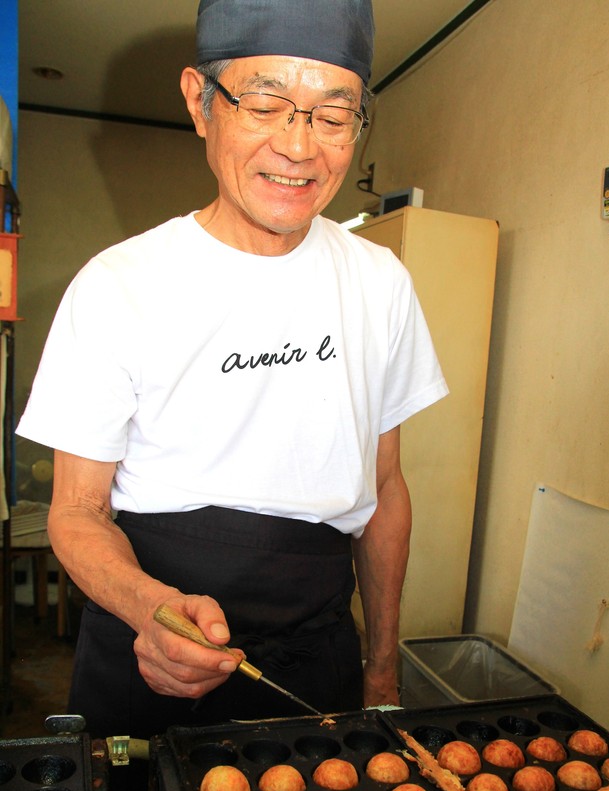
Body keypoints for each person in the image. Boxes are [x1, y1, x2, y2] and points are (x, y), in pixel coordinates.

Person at [17, 0, 448, 741]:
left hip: (318, 649)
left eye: (332, 115)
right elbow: (76, 511)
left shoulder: (382, 284)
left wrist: (382, 667)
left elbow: (383, 488)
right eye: (265, 102)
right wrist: (150, 607)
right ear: (200, 102)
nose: (299, 147)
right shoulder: (119, 284)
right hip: (147, 638)